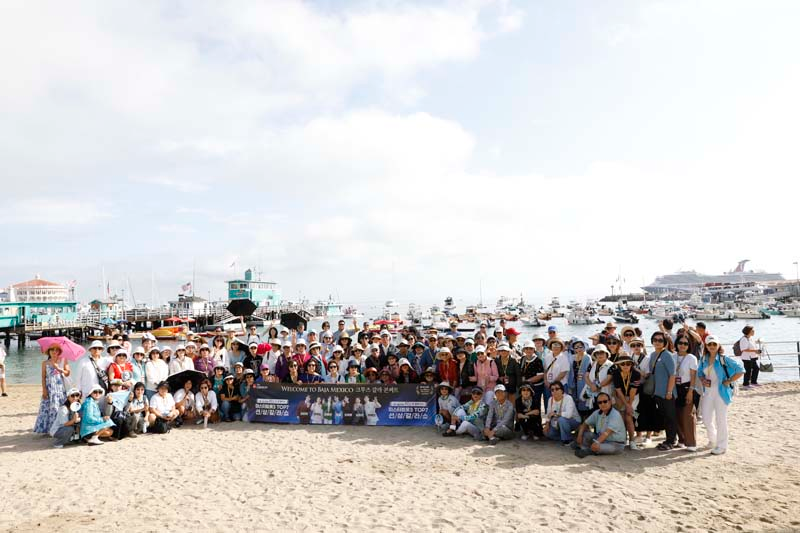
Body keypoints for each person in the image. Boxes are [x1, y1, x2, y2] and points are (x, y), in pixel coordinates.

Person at [698, 335, 744, 455]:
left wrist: (729, 381)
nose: (712, 346)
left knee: (721, 420)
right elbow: (699, 373)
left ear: (718, 345)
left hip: (721, 393)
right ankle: (713, 440)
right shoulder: (703, 359)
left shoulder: (724, 359)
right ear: (706, 346)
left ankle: (722, 446)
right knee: (706, 419)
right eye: (709, 344)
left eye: (714, 344)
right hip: (708, 393)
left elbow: (741, 370)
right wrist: (702, 380)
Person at [649, 332, 679, 451]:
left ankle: (671, 441)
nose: (657, 342)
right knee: (665, 417)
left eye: (660, 340)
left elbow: (672, 375)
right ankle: (668, 439)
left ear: (665, 342)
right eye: (655, 340)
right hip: (657, 392)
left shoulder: (667, 355)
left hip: (667, 393)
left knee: (671, 417)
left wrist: (669, 392)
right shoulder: (652, 355)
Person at [573, 392, 627, 457]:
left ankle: (588, 450)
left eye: (605, 401)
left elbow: (607, 433)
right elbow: (585, 423)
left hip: (616, 444)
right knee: (587, 434)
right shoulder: (597, 413)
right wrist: (580, 435)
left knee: (598, 447)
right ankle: (585, 448)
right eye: (600, 402)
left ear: (610, 402)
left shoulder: (615, 414)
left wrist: (597, 442)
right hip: (601, 440)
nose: (602, 404)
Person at [34, 344, 70, 435]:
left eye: (56, 350)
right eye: (52, 350)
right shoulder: (45, 363)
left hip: (60, 389)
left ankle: (58, 428)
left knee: (59, 408)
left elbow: (68, 373)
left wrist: (59, 368)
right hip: (50, 388)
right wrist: (44, 390)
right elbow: (43, 377)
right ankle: (48, 429)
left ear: (59, 352)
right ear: (49, 352)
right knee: (48, 408)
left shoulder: (63, 360)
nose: (54, 352)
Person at [674, 334, 699, 451]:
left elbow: (693, 376)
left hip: (687, 387)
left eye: (685, 343)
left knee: (688, 415)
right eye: (680, 343)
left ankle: (691, 443)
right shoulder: (673, 356)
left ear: (689, 345)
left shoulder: (691, 358)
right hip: (675, 388)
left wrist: (690, 391)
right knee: (677, 414)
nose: (682, 345)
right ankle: (682, 439)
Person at [612, 354, 642, 450]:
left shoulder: (636, 374)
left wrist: (629, 405)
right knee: (620, 416)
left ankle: (632, 441)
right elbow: (618, 390)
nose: (625, 366)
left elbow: (633, 392)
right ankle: (622, 439)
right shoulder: (615, 373)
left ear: (631, 365)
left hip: (633, 396)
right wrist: (625, 404)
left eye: (628, 364)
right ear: (619, 365)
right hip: (620, 396)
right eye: (623, 364)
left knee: (628, 416)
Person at [583, 345, 614, 409]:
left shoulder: (611, 365)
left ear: (606, 354)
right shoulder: (592, 364)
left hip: (606, 393)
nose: (600, 355)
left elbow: (609, 378)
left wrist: (597, 386)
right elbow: (586, 376)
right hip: (593, 393)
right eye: (597, 353)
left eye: (602, 352)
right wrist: (591, 385)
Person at [543, 338, 570, 408]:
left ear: (561, 347)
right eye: (554, 345)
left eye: (558, 345)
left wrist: (553, 384)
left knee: (560, 404)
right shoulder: (547, 357)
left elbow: (563, 373)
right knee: (548, 403)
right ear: (551, 346)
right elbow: (545, 370)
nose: (556, 347)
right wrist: (546, 381)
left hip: (560, 385)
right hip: (548, 385)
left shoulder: (564, 358)